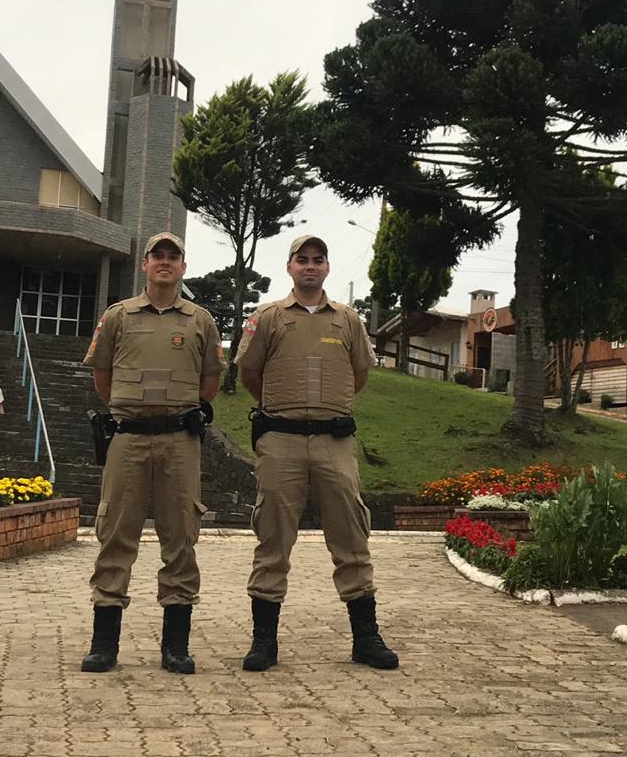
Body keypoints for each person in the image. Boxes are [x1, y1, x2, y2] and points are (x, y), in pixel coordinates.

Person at [235, 234, 399, 672]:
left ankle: (366, 638)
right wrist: (284, 410)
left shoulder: (348, 321)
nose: (310, 266)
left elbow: (360, 374)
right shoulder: (267, 317)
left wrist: (326, 410)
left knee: (351, 535)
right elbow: (250, 373)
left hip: (335, 442)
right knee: (272, 537)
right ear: (289, 268)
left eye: (318, 260)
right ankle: (263, 642)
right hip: (281, 441)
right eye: (302, 260)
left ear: (327, 268)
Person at [80, 232, 223, 675]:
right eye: (157, 255)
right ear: (144, 265)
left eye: (172, 256)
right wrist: (131, 411)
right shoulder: (118, 317)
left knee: (180, 536)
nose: (164, 262)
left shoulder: (200, 320)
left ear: (183, 267)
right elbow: (102, 375)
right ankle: (104, 645)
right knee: (115, 533)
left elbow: (210, 382)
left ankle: (175, 647)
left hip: (180, 441)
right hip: (128, 438)